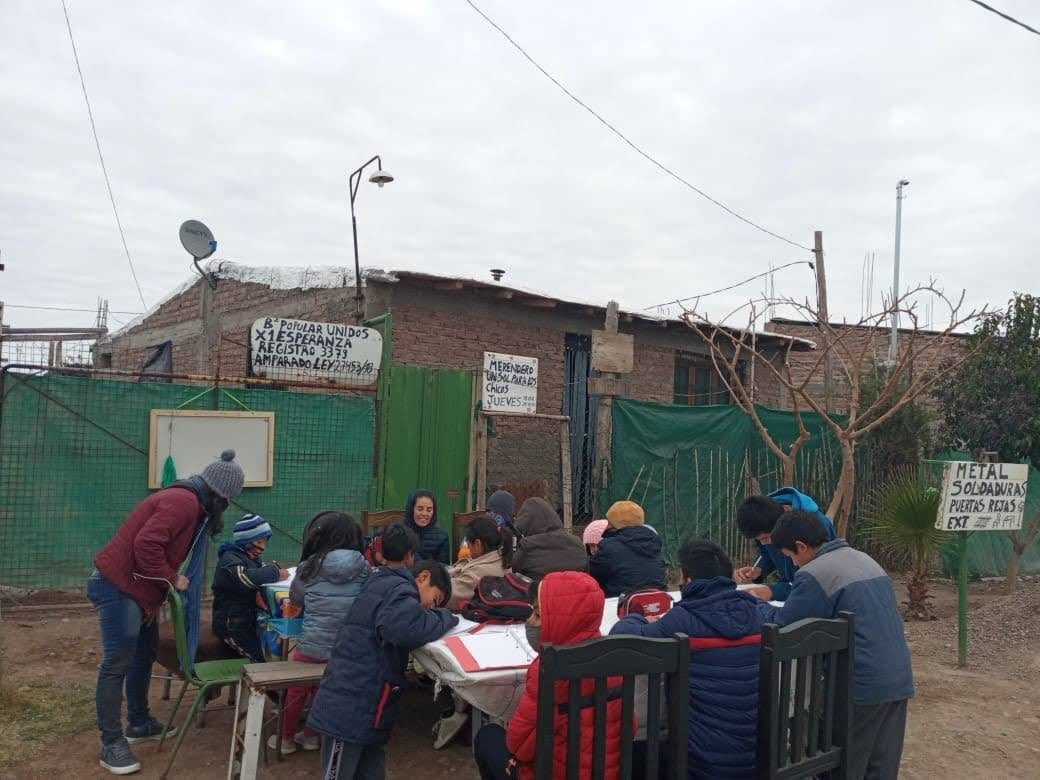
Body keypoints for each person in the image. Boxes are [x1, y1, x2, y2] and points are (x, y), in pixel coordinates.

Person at [89, 449, 244, 775]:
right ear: (218, 494)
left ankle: (140, 721)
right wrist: (173, 578)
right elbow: (146, 544)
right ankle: (111, 743)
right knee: (117, 663)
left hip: (140, 591)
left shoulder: (193, 503)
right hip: (118, 587)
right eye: (227, 500)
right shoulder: (183, 503)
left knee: (145, 653)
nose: (226, 508)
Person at [757, 510, 914, 779]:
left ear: (801, 547)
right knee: (880, 767)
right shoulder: (865, 559)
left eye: (790, 557)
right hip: (897, 678)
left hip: (860, 685)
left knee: (847, 766)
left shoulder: (815, 573)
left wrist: (755, 605)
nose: (793, 565)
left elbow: (785, 624)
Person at [307, 523, 458, 779]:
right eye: (433, 600)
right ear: (422, 577)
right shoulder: (400, 590)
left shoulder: (382, 583)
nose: (429, 608)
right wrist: (445, 616)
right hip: (350, 707)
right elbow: (401, 628)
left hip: (366, 706)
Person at [610, 540, 766, 779]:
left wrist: (639, 619)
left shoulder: (682, 620)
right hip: (756, 756)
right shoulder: (756, 613)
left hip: (699, 762)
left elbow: (622, 636)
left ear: (688, 578)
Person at [473, 571, 624, 780]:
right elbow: (629, 726)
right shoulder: (614, 659)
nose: (530, 621)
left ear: (558, 621)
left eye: (536, 614)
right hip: (609, 773)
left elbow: (519, 746)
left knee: (487, 737)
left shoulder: (549, 670)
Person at [271, 511, 369, 755]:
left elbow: (296, 599)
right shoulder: (363, 565)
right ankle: (312, 736)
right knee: (322, 689)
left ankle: (285, 739)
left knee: (297, 688)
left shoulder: (310, 566)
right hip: (344, 649)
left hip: (312, 646)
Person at [732, 488, 836, 601]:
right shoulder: (763, 520)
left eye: (766, 537)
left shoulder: (816, 526)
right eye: (759, 540)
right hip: (791, 589)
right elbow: (766, 552)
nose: (764, 543)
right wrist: (760, 568)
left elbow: (819, 584)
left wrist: (772, 591)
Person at [212, 514, 288, 663]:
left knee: (267, 645)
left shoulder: (249, 558)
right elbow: (245, 578)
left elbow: (258, 570)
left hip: (246, 620)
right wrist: (275, 572)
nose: (262, 547)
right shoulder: (230, 559)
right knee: (257, 661)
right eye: (259, 541)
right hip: (231, 625)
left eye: (265, 542)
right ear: (244, 541)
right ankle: (261, 684)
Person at [588, 501, 666, 597]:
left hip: (619, 604)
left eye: (609, 521)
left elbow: (591, 575)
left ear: (615, 524)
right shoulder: (654, 542)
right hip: (657, 600)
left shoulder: (609, 547)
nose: (607, 525)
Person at [447, 515, 514, 611]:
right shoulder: (501, 558)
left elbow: (446, 595)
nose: (468, 548)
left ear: (478, 544)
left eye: (468, 543)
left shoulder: (478, 573)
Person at [510, 497, 588, 581]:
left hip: (540, 592)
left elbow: (513, 571)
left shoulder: (526, 546)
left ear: (527, 523)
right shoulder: (577, 542)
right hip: (576, 591)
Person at [404, 489, 450, 564]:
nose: (424, 514)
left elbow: (444, 566)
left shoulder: (442, 536)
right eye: (420, 509)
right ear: (412, 509)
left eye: (429, 510)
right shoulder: (400, 532)